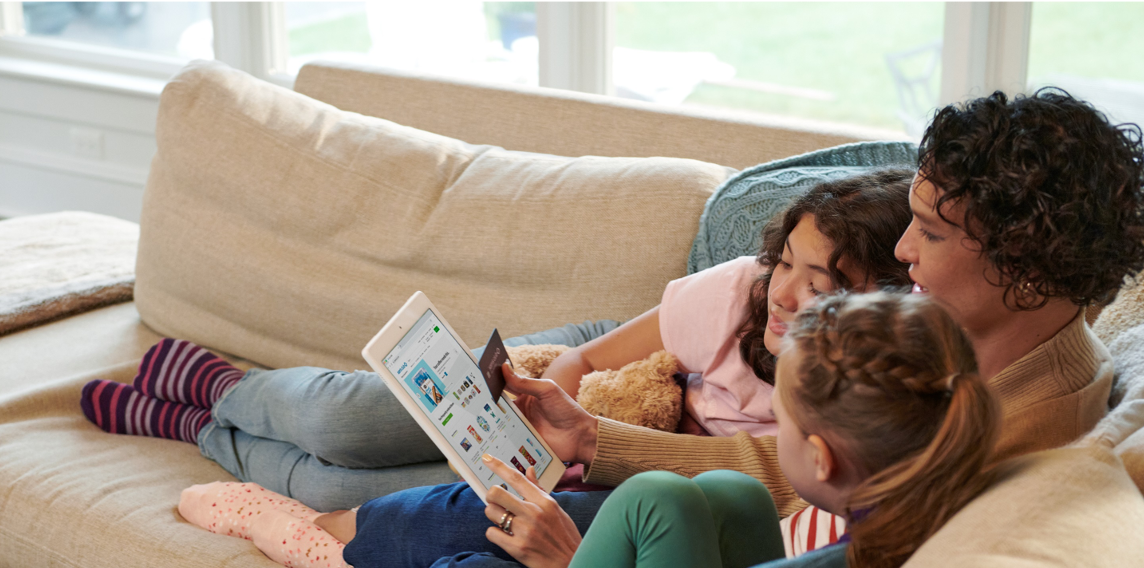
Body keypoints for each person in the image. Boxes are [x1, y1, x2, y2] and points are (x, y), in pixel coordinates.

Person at [329, 88, 1144, 568]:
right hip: (731, 538)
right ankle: (330, 535)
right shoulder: (965, 334)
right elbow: (803, 466)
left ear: (1022, 264)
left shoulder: (1018, 432)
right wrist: (596, 438)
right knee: (460, 512)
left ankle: (364, 566)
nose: (903, 253)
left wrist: (578, 564)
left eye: (931, 232)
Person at [79, 170, 914, 512]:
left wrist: (571, 465)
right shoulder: (735, 295)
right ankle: (219, 386)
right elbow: (593, 363)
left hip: (625, 455)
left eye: (827, 283)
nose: (789, 295)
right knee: (355, 425)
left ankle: (196, 427)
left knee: (348, 494)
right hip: (598, 378)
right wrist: (548, 423)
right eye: (789, 263)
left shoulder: (858, 400)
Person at [491, 289, 997, 568]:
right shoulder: (912, 514)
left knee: (652, 499)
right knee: (732, 492)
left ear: (821, 458)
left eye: (783, 423)